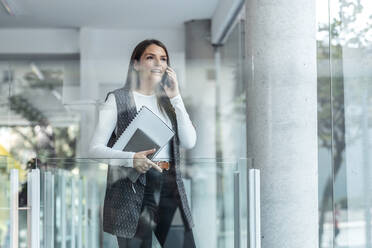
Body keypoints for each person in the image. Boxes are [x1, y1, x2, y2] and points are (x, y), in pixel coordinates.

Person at [89, 39, 197, 247]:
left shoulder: (169, 102)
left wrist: (176, 96)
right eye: (151, 57)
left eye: (163, 59)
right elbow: (94, 150)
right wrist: (131, 159)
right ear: (136, 64)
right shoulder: (118, 99)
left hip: (169, 185)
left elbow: (189, 141)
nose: (158, 63)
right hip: (131, 189)